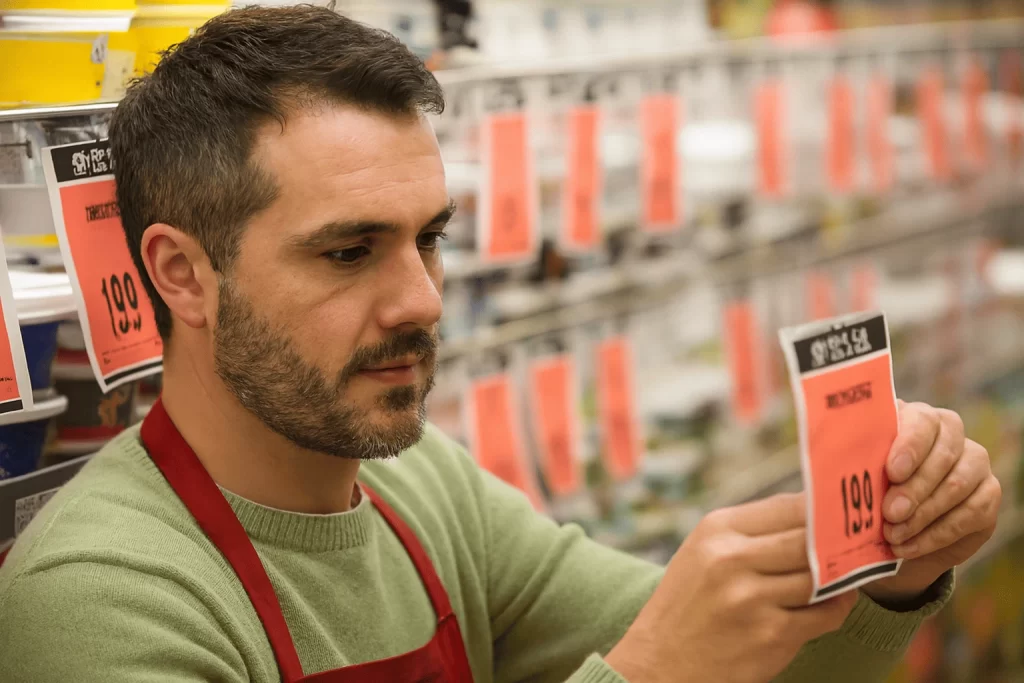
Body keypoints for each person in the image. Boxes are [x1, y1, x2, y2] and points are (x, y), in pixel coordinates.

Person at [0, 6, 1001, 683]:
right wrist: (648, 669)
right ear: (181, 273)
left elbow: (740, 661)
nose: (422, 298)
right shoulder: (100, 596)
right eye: (349, 251)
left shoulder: (421, 488)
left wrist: (883, 568)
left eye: (429, 237)